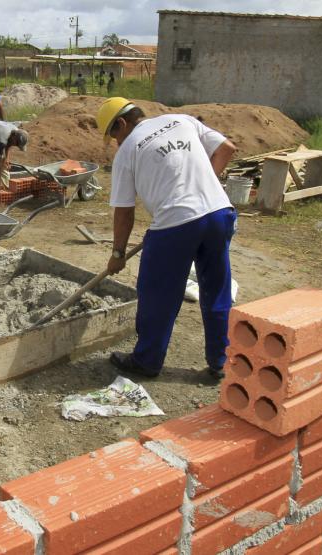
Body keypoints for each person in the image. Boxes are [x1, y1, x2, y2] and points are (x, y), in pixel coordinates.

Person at [96, 97, 237, 380]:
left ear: (122, 124)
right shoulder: (182, 120)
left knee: (158, 295)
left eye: (113, 135)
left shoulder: (127, 151)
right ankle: (221, 361)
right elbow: (226, 148)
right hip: (219, 213)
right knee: (216, 289)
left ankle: (147, 360)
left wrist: (118, 254)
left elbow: (124, 212)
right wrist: (203, 185)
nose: (115, 142)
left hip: (175, 226)